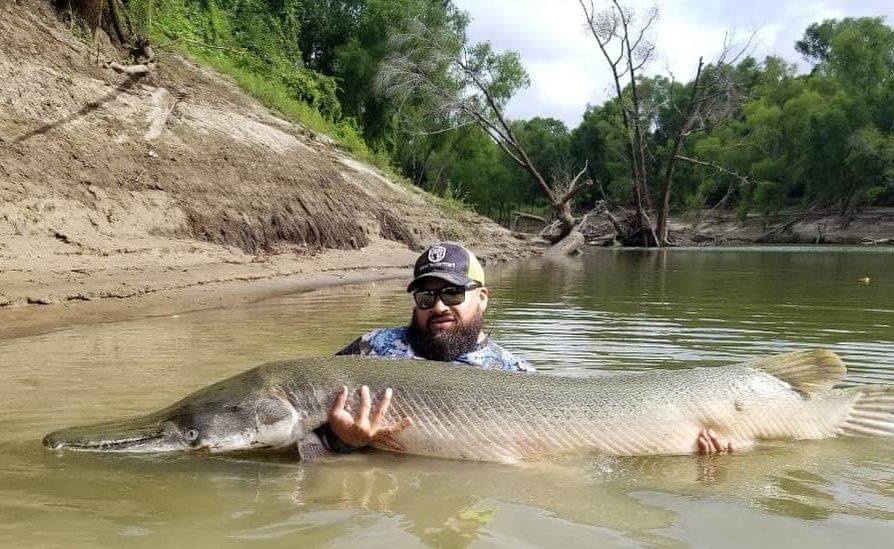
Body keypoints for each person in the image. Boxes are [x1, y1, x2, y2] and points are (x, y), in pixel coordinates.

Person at [313, 242, 732, 457]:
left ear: (483, 297)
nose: (438, 306)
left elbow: (579, 452)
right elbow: (300, 432)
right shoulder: (370, 350)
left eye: (454, 293)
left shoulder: (515, 375)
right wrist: (342, 441)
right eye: (426, 296)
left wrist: (691, 452)